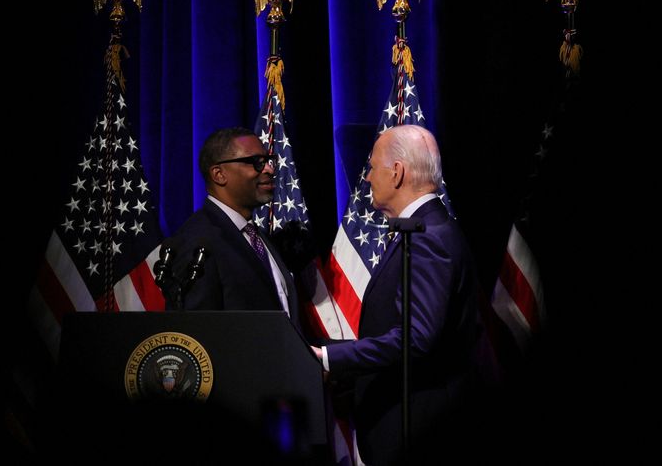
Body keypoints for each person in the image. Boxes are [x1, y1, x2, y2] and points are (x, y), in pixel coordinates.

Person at [313, 124, 482, 465]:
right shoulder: (425, 229)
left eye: (372, 167)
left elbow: (416, 338)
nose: (368, 178)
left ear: (397, 172)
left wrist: (332, 360)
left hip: (418, 427)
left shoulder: (428, 237)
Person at [169, 127, 300, 328]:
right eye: (256, 162)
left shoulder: (257, 237)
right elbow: (198, 333)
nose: (269, 169)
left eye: (268, 161)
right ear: (219, 174)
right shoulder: (198, 241)